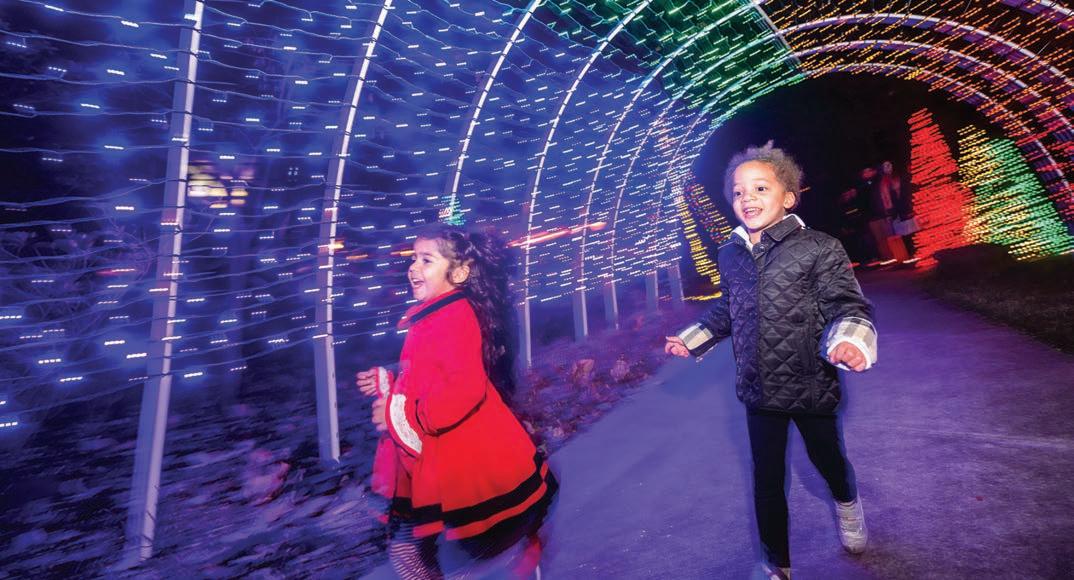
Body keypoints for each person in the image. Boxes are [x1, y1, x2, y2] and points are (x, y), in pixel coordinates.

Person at [665, 144, 878, 580]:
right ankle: (776, 564)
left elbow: (847, 304)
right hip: (758, 387)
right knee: (767, 479)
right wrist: (693, 339)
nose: (747, 197)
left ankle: (847, 502)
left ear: (789, 196)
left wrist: (850, 341)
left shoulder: (819, 248)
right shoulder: (730, 254)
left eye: (760, 187)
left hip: (810, 384)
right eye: (739, 191)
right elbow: (729, 309)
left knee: (828, 461)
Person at [356, 226, 556, 579]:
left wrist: (396, 414)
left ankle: (520, 559)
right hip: (431, 455)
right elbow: (428, 374)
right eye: (413, 258)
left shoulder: (454, 316)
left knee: (442, 549)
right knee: (418, 548)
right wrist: (390, 381)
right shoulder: (434, 314)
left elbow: (463, 391)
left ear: (459, 272)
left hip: (455, 457)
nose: (413, 267)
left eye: (426, 260)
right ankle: (519, 556)